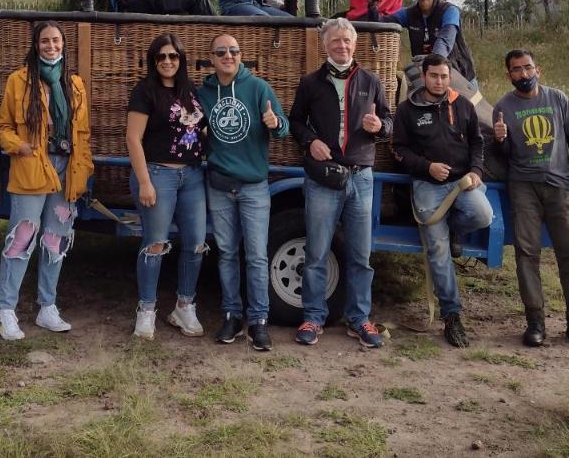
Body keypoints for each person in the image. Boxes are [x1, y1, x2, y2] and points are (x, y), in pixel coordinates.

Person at [492, 49, 569, 351]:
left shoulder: (558, 99)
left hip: (559, 184)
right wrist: (501, 139)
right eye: (516, 70)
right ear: (509, 75)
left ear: (538, 70)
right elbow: (503, 157)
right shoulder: (503, 106)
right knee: (526, 254)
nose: (523, 74)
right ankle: (535, 323)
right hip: (523, 187)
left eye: (528, 68)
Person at [288, 18, 392, 348]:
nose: (341, 46)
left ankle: (359, 318)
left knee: (361, 255)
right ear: (325, 45)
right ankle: (313, 317)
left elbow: (390, 122)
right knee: (317, 252)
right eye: (335, 41)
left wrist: (380, 126)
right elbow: (295, 122)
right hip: (323, 178)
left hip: (361, 178)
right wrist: (309, 142)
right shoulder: (310, 83)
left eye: (347, 40)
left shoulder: (371, 81)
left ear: (354, 44)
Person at [0, 21, 94, 341]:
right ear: (35, 45)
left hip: (66, 168)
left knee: (55, 240)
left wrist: (84, 169)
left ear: (64, 44)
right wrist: (18, 146)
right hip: (31, 166)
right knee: (22, 237)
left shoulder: (74, 84)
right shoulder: (18, 81)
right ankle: (5, 311)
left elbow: (83, 134)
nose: (51, 46)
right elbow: (4, 127)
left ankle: (47, 306)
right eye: (45, 41)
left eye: (57, 41)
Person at [392, 54, 493, 348]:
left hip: (462, 183)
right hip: (427, 185)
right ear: (424, 77)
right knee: (438, 251)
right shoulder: (407, 110)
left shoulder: (462, 104)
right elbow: (398, 149)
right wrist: (427, 167)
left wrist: (475, 171)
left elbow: (477, 142)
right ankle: (452, 315)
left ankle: (454, 230)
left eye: (444, 76)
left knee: (483, 216)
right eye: (434, 76)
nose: (439, 81)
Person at [198, 32, 290, 351]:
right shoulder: (204, 93)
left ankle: (259, 321)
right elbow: (190, 130)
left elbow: (284, 129)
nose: (228, 56)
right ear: (211, 58)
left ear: (241, 55)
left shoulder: (258, 87)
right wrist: (199, 133)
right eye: (221, 51)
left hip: (254, 187)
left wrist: (274, 121)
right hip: (220, 185)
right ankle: (232, 315)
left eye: (234, 51)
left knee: (257, 255)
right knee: (226, 253)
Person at [126, 33, 209, 340]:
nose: (167, 61)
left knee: (196, 242)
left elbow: (200, 127)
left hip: (192, 176)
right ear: (154, 60)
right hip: (157, 173)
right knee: (155, 243)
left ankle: (184, 306)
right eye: (161, 57)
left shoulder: (191, 91)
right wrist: (145, 181)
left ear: (181, 60)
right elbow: (133, 138)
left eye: (173, 56)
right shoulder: (145, 91)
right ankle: (146, 310)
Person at [373, 0, 477, 90]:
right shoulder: (408, 13)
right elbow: (380, 23)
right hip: (428, 77)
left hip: (460, 75)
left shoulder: (449, 10)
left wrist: (431, 60)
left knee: (469, 108)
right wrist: (373, 5)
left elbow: (445, 40)